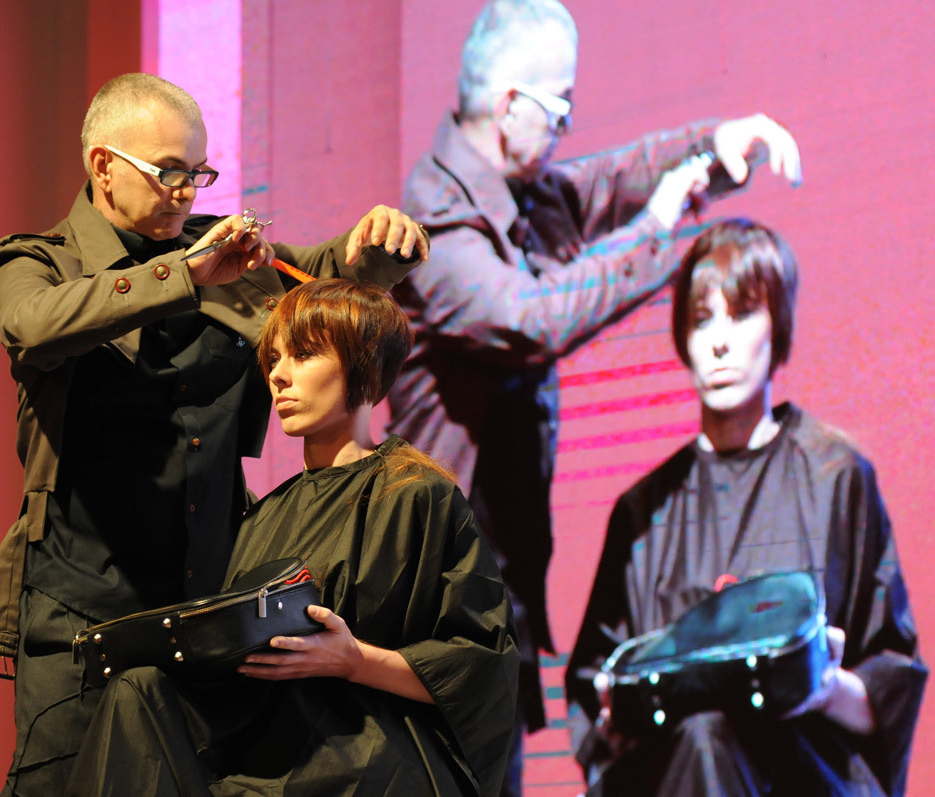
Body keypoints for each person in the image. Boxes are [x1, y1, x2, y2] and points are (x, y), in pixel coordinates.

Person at [385, 1, 804, 784]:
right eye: (560, 106)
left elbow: (606, 179)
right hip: (431, 606)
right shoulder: (436, 226)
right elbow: (526, 319)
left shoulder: (519, 192)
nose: (570, 124)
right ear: (510, 105)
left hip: (491, 599)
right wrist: (652, 230)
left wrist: (711, 148)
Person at [0, 73, 429, 795]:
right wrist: (183, 275)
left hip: (207, 618)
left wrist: (377, 251)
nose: (188, 193)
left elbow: (314, 274)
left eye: (198, 173)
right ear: (103, 166)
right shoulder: (36, 261)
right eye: (169, 174)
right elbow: (31, 323)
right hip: (78, 625)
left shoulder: (228, 258)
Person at [67, 279, 520, 796]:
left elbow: (483, 667)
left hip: (365, 753)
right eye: (274, 357)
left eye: (304, 355)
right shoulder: (264, 516)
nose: (279, 376)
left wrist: (354, 660)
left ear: (365, 365)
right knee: (138, 692)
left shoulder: (415, 493)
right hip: (263, 748)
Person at [564, 218, 926, 795]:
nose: (720, 341)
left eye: (741, 314)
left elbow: (887, 686)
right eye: (701, 320)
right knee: (705, 736)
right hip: (675, 776)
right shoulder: (642, 512)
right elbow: (597, 702)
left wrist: (821, 685)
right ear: (682, 339)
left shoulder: (836, 477)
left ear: (778, 325)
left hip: (803, 774)